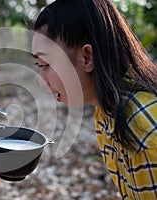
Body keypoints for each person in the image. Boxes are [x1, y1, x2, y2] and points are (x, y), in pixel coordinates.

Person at [31, 0, 157, 199]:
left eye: (45, 64)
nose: (41, 81)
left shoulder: (144, 131)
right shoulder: (106, 113)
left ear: (87, 57)